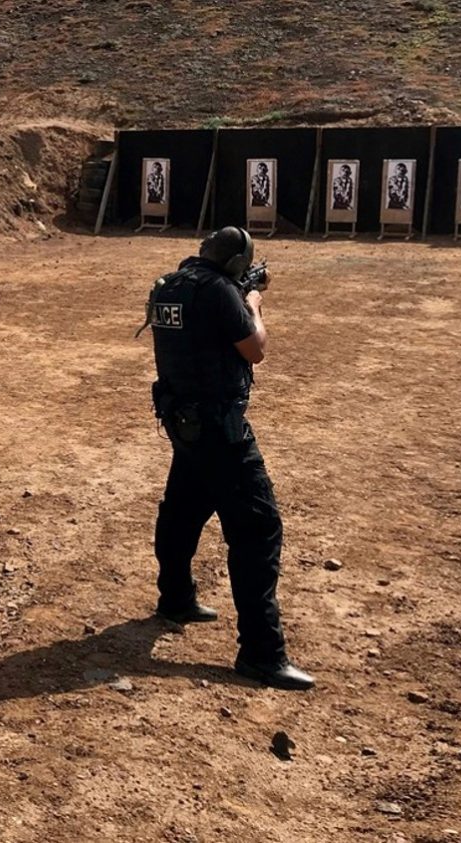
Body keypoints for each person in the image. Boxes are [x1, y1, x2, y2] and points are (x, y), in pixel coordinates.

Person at [145, 226, 314, 691]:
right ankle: (262, 653)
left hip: (184, 423)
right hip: (221, 429)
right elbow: (255, 350)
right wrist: (252, 303)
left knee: (181, 513)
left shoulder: (169, 285)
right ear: (238, 265)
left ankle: (176, 597)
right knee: (258, 531)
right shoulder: (221, 293)